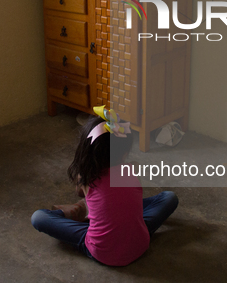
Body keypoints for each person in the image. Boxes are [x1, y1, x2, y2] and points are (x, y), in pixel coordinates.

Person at [31, 106, 179, 266]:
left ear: (86, 150)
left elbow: (80, 192)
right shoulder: (132, 169)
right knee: (168, 197)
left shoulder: (87, 177)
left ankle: (83, 210)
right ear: (124, 152)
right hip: (140, 243)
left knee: (39, 217)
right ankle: (100, 212)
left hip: (103, 252)